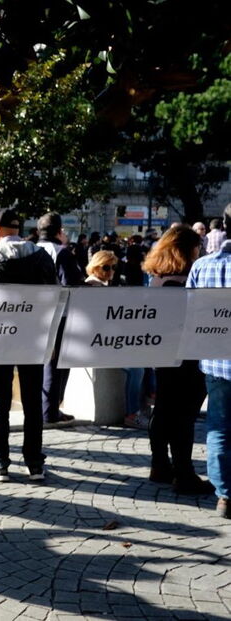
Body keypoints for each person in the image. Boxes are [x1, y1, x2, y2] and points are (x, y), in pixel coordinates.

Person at [0, 208, 57, 482]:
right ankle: (34, 464)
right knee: (32, 400)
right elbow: (54, 297)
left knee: (0, 400)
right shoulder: (42, 257)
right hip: (33, 338)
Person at [142, 225, 212, 495]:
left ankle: (160, 464)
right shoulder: (191, 275)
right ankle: (184, 473)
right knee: (185, 414)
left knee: (163, 409)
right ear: (188, 249)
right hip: (188, 350)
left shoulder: (157, 274)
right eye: (198, 246)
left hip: (162, 350)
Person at [187, 203, 231, 518]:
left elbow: (190, 312)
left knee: (219, 425)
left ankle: (225, 495)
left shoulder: (203, 266)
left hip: (216, 361)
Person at [36, 212, 82, 425]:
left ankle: (43, 408)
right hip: (60, 314)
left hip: (35, 314)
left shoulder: (32, 250)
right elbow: (72, 284)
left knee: (40, 363)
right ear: (59, 231)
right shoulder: (61, 253)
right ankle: (50, 411)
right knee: (56, 365)